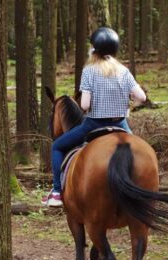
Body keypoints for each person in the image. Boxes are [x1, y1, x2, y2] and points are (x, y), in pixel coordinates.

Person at [43, 27, 147, 207]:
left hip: (93, 124)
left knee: (57, 146)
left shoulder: (89, 71)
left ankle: (57, 192)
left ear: (94, 49)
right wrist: (128, 100)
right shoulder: (123, 70)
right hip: (121, 124)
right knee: (141, 153)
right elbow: (142, 97)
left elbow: (84, 105)